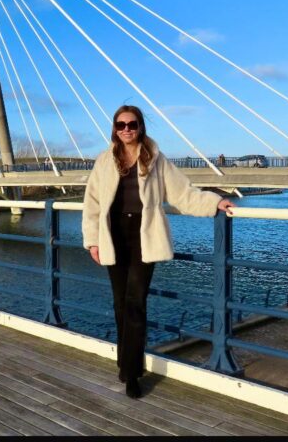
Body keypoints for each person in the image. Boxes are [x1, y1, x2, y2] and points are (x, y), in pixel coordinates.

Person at [82, 105, 235, 399]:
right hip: (113, 236)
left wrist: (214, 202)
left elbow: (182, 193)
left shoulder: (155, 159)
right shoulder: (104, 161)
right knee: (119, 304)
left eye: (132, 124)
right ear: (114, 128)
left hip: (144, 236)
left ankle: (131, 374)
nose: (127, 129)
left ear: (141, 127)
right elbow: (92, 204)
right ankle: (126, 363)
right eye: (121, 124)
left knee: (135, 303)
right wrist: (93, 240)